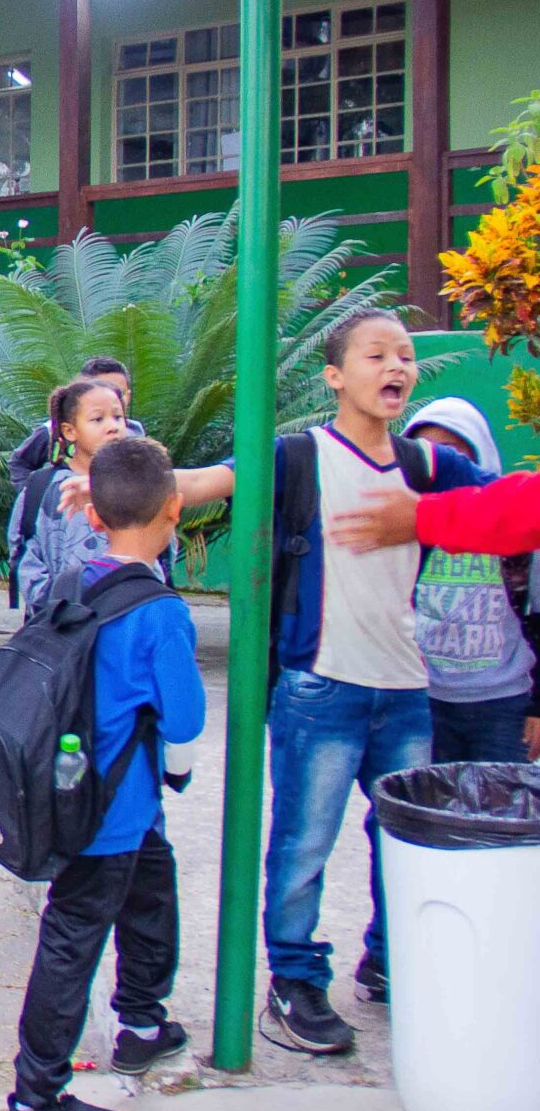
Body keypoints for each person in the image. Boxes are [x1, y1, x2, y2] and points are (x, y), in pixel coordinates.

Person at [99, 310, 485, 1046]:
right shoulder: (298, 457)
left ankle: (392, 962)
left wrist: (433, 514)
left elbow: (497, 505)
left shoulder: (429, 468)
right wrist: (110, 492)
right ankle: (296, 980)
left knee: (405, 841)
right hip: (322, 688)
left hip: (407, 691)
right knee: (305, 842)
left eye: (405, 355)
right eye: (377, 354)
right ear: (335, 375)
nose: (396, 366)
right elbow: (206, 481)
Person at [7, 436, 203, 1111]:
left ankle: (143, 1022)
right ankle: (39, 1092)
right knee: (71, 937)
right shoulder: (159, 610)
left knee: (153, 891)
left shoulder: (73, 580)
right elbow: (184, 719)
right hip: (110, 811)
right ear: (174, 509)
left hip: (80, 789)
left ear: (95, 513)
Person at [397, 399, 540, 765]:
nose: (441, 465)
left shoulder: (516, 536)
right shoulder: (399, 533)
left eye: (453, 454)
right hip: (423, 701)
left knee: (500, 815)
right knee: (425, 812)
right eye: (426, 454)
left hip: (505, 706)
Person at [8, 378, 166, 613]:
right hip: (61, 632)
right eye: (97, 419)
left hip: (130, 621)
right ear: (69, 431)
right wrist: (58, 611)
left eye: (118, 417)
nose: (112, 427)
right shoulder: (43, 488)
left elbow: (162, 554)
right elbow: (25, 555)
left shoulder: (141, 485)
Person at [8, 355, 141, 514]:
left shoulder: (135, 431)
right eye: (97, 419)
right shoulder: (50, 432)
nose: (113, 427)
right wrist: (34, 498)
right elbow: (20, 462)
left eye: (119, 391)